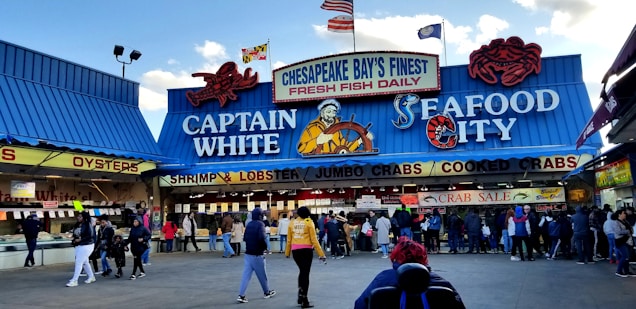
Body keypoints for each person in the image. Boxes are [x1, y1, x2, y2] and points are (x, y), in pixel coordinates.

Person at [353, 238, 464, 309]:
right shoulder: (441, 283)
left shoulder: (383, 279)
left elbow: (359, 305)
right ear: (424, 259)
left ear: (395, 258)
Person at [297, 98, 374, 155]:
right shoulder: (312, 128)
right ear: (322, 113)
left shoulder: (337, 129)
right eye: (328, 111)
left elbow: (345, 148)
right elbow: (301, 149)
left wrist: (361, 140)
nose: (331, 115)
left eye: (334, 112)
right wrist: (317, 141)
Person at [285, 206, 327, 308]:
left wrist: (287, 252)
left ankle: (300, 295)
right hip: (306, 251)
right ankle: (304, 299)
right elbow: (314, 240)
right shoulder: (309, 222)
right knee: (305, 273)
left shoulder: (292, 223)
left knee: (302, 271)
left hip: (296, 251)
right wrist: (321, 254)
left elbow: (289, 239)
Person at [66, 211, 96, 287]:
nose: (78, 218)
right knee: (85, 262)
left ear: (84, 218)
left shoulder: (88, 225)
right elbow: (75, 234)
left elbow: (90, 236)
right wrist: (74, 239)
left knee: (79, 262)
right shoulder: (78, 225)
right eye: (78, 216)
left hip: (87, 245)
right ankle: (91, 276)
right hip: (79, 245)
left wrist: (80, 239)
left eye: (80, 216)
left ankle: (75, 280)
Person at [613, 209, 635, 277]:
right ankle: (619, 271)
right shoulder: (616, 222)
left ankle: (627, 271)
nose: (625, 214)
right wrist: (627, 231)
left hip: (627, 241)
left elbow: (631, 228)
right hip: (620, 241)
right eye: (623, 213)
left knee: (627, 257)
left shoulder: (625, 221)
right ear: (619, 215)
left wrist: (629, 231)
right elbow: (618, 231)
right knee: (624, 256)